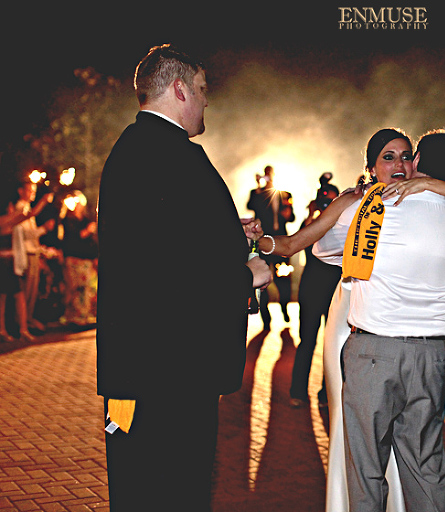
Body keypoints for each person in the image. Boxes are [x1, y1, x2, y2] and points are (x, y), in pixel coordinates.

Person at [96, 44, 272, 512]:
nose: (206, 100)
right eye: (201, 88)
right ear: (179, 89)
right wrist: (246, 276)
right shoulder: (171, 155)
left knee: (148, 490)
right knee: (172, 491)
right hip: (169, 371)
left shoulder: (138, 148)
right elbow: (165, 274)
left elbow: (162, 240)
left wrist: (227, 231)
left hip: (148, 366)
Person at [314, 129, 445, 512]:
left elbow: (321, 248)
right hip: (431, 355)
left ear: (418, 162)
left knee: (367, 469)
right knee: (426, 465)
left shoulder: (374, 206)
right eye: (392, 157)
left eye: (407, 156)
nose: (402, 164)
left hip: (374, 350)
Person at [289, 174, 342, 407]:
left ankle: (325, 394)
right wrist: (311, 214)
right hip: (311, 290)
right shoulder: (309, 223)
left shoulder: (343, 226)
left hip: (334, 291)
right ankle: (298, 392)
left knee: (332, 346)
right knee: (307, 342)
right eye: (324, 201)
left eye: (332, 202)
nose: (327, 206)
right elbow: (299, 244)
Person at [247, 164, 295, 328]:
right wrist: (258, 186)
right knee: (262, 282)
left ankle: (284, 308)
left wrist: (287, 212)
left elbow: (291, 217)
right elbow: (251, 205)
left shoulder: (284, 194)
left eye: (270, 174)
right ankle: (266, 319)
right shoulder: (257, 193)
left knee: (284, 279)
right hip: (263, 242)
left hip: (280, 242)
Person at [1, 196, 51, 343]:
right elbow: (30, 213)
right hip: (4, 263)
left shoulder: (8, 220)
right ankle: (9, 330)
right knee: (8, 296)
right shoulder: (5, 221)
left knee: (14, 295)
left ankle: (19, 329)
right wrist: (44, 200)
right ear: (8, 207)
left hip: (10, 262)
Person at [13, 181, 55, 332]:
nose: (32, 193)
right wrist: (43, 229)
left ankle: (28, 320)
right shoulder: (20, 207)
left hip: (33, 253)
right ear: (20, 191)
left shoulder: (27, 207)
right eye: (30, 190)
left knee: (33, 290)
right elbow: (26, 234)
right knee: (27, 291)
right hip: (27, 254)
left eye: (34, 190)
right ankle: (22, 323)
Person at [60, 191, 98, 327]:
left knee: (86, 288)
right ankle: (73, 317)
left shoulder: (86, 220)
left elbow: (92, 241)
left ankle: (84, 315)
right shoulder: (68, 220)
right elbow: (72, 239)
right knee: (75, 288)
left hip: (86, 259)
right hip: (73, 258)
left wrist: (95, 256)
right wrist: (87, 231)